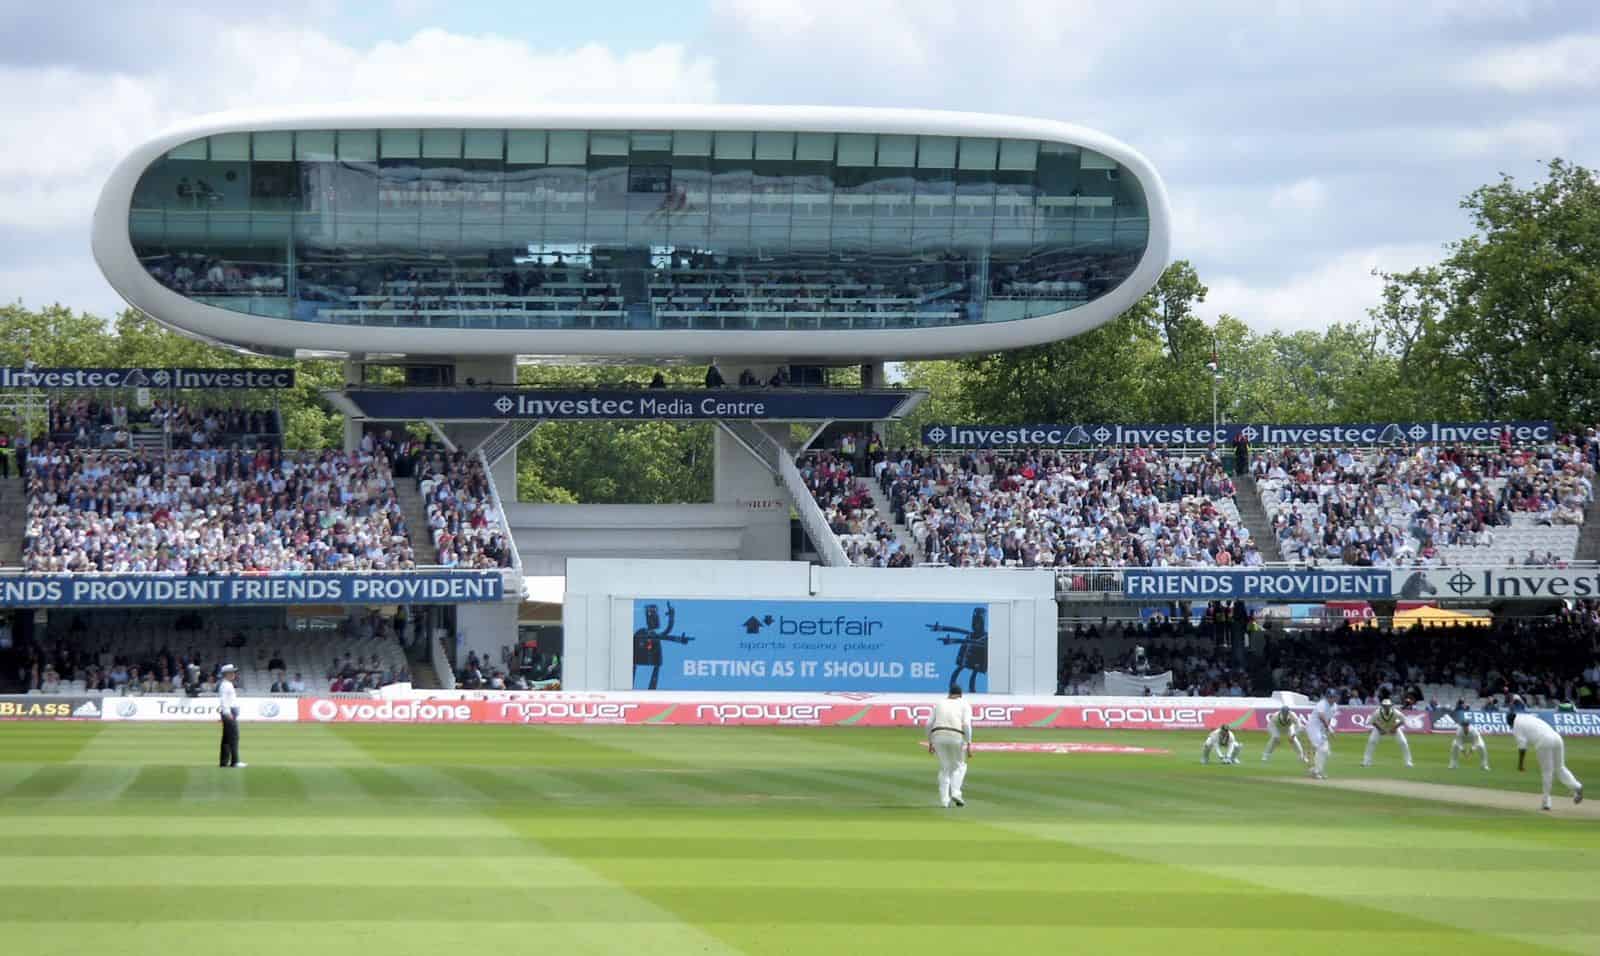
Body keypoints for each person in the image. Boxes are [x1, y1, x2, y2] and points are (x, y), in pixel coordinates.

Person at [1508, 700, 1583, 810]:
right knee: (1560, 767)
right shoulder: (1526, 717)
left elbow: (1522, 747)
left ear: (1510, 722)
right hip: (1557, 738)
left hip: (1543, 742)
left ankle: (1546, 802)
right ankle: (1577, 786)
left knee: (1547, 772)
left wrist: (1520, 764)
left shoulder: (1516, 725)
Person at [925, 684, 973, 808]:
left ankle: (944, 801)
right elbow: (967, 725)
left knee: (945, 767)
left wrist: (930, 741)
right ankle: (956, 793)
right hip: (956, 736)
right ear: (961, 695)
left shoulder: (939, 703)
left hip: (938, 735)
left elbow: (929, 723)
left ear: (949, 693)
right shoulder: (964, 704)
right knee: (960, 766)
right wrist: (968, 742)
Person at [1361, 698, 1413, 768]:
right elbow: (1371, 721)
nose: (1386, 707)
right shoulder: (1377, 712)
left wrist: (1394, 728)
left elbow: (1404, 720)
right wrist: (1380, 729)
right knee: (1372, 741)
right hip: (1380, 727)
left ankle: (1408, 762)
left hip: (1393, 727)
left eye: (1388, 706)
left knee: (1403, 742)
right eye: (1385, 706)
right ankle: (1366, 761)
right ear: (1382, 706)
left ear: (1391, 706)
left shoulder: (1396, 712)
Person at [1447, 701, 1490, 771]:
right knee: (1454, 745)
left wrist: (1470, 752)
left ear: (1468, 725)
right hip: (1463, 739)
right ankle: (1453, 764)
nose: (1465, 727)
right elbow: (1458, 743)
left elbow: (1476, 743)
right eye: (1463, 725)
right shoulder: (1459, 731)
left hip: (1474, 739)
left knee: (1482, 747)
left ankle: (1484, 765)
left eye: (1466, 725)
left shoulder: (1474, 731)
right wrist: (1463, 752)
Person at [1306, 688, 1338, 779]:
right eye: (1330, 697)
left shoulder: (1335, 706)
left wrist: (1327, 729)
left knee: (1326, 752)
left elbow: (1329, 718)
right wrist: (1329, 728)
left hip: (1321, 729)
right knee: (1321, 749)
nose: (1331, 699)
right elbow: (1321, 716)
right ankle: (1316, 772)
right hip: (1313, 728)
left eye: (1333, 697)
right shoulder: (1322, 704)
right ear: (1326, 697)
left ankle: (1315, 770)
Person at [217, 664, 245, 769]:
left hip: (229, 712)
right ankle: (235, 761)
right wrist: (227, 712)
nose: (234, 674)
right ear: (227, 674)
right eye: (232, 672)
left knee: (227, 739)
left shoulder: (227, 684)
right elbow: (224, 700)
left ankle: (224, 762)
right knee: (234, 737)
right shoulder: (226, 685)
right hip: (229, 713)